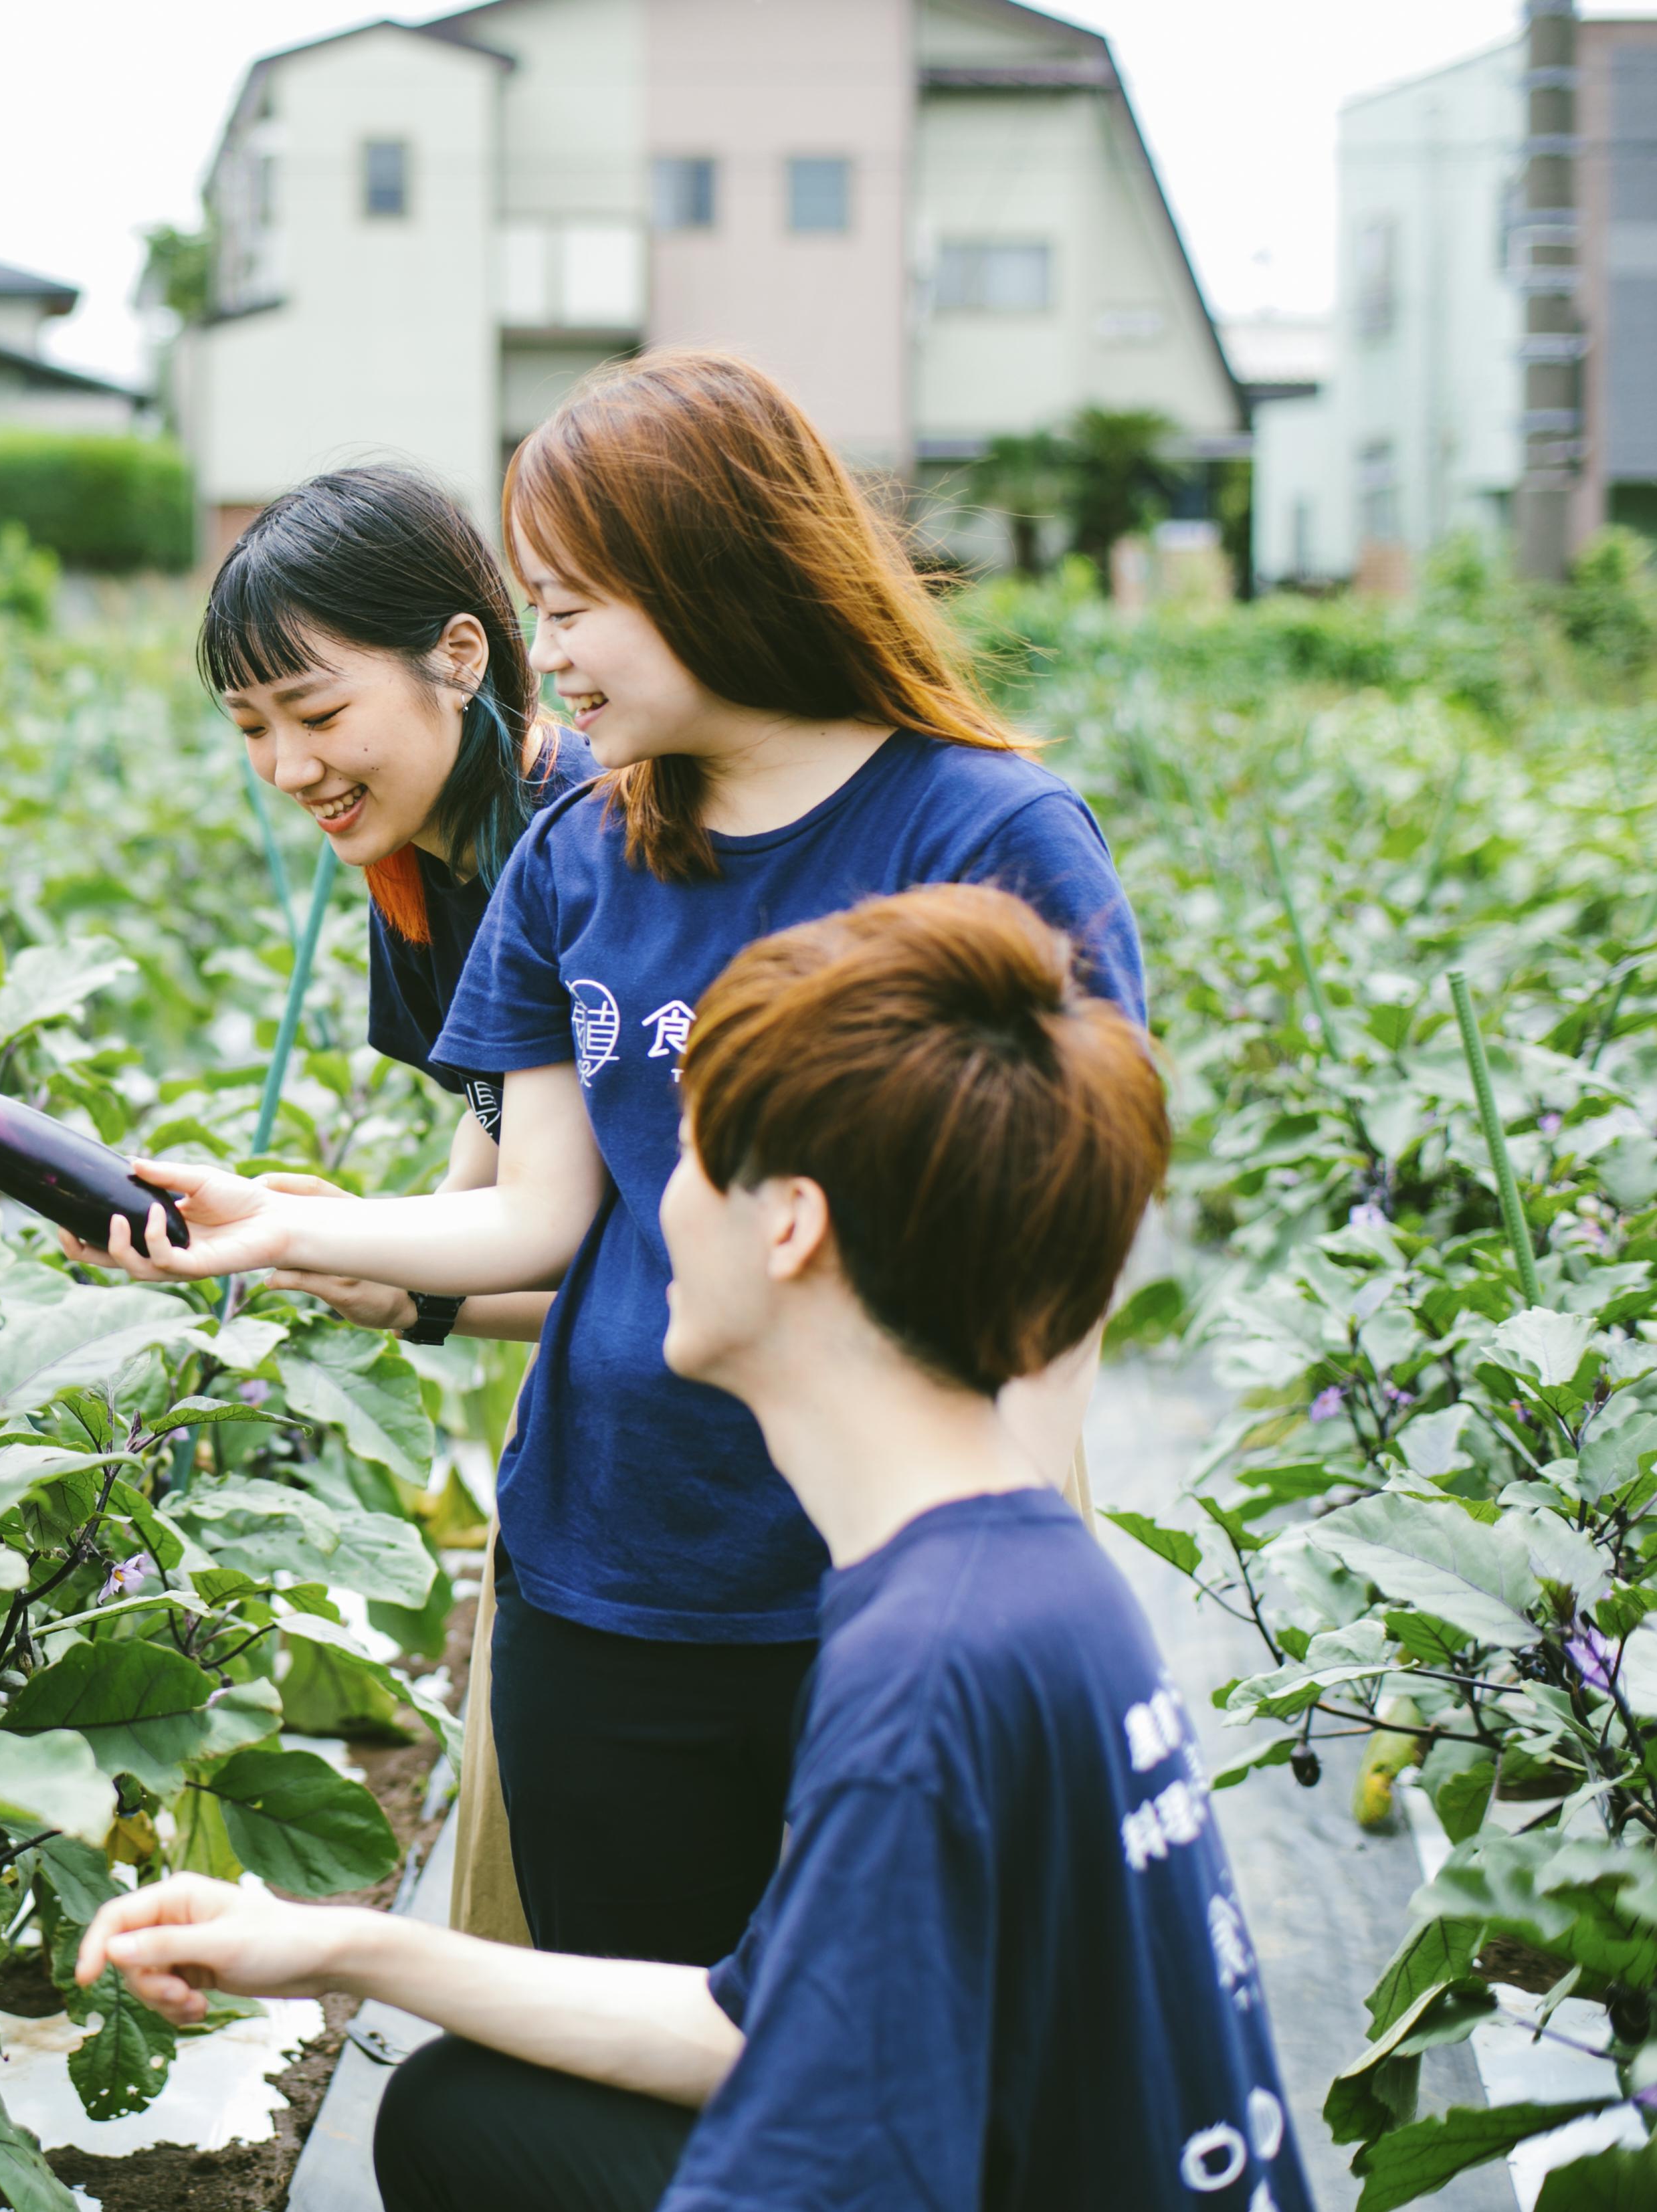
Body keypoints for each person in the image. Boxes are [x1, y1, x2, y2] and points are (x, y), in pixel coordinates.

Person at [71, 348, 1145, 1971]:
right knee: (607, 2053)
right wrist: (263, 1232)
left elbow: (1062, 1264)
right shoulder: (583, 853)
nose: (541, 650)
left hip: (873, 1573)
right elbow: (532, 1220)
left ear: (726, 564)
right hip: (610, 1568)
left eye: (572, 607)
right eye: (540, 605)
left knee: (894, 2066)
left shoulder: (990, 834)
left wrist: (993, 1577)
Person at [78, 884, 1306, 2212]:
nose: (648, 1213)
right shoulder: (1019, 1571)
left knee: (465, 2128)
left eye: (684, 1162)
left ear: (790, 1224)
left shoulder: (919, 1665)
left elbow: (823, 2155)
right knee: (464, 2109)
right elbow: (765, 2021)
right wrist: (342, 1947)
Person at [197, 465, 595, 1350]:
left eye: (319, 713)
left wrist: (335, 1238)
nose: (288, 769)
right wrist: (396, 1276)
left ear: (458, 656)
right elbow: (498, 1147)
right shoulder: (415, 864)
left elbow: (597, 1226)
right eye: (252, 729)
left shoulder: (586, 846)